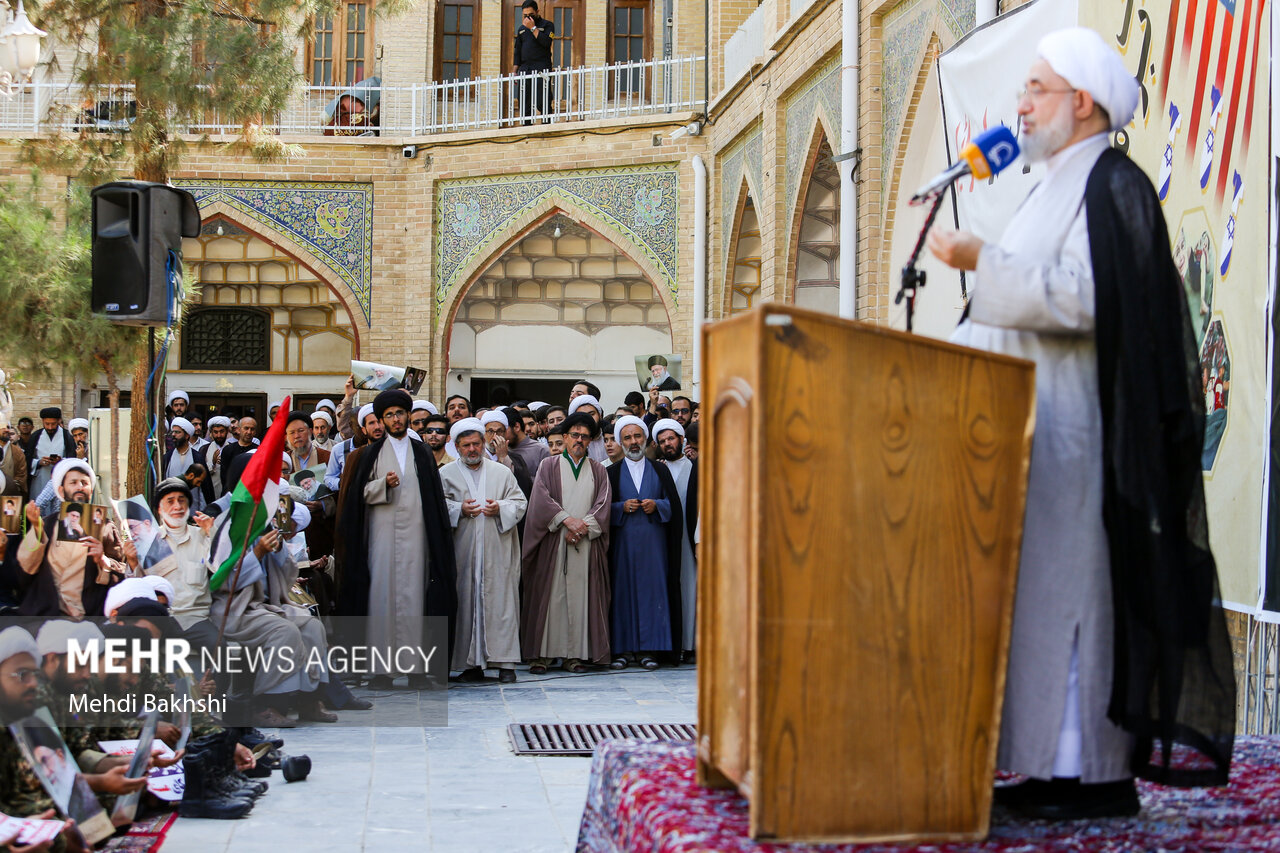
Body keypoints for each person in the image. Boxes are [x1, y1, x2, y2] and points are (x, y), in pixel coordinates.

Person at [926, 26, 1235, 818]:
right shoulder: (1058, 181)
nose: (1020, 105)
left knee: (1075, 612)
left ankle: (1091, 776)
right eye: (1023, 89)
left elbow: (1085, 297)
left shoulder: (1112, 184)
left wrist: (980, 261)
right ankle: (1049, 770)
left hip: (1085, 442)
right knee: (1043, 609)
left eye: (1036, 89)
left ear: (1083, 103)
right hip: (1038, 439)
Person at [336, 389, 457, 689]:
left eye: (399, 413)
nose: (395, 419)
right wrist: (382, 485)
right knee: (381, 598)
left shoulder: (422, 453)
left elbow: (434, 500)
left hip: (417, 538)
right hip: (381, 539)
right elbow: (357, 497)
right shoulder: (370, 454)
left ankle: (416, 671)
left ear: (407, 416)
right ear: (382, 420)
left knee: (415, 598)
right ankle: (381, 672)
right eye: (388, 415)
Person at [521, 412, 611, 674]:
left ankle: (575, 655)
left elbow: (603, 504)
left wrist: (584, 526)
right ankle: (543, 656)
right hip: (554, 541)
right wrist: (566, 521)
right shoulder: (548, 466)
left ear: (590, 440)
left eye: (585, 436)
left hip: (585, 543)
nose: (579, 440)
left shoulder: (599, 470)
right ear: (565, 437)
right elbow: (540, 499)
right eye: (575, 435)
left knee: (581, 598)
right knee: (551, 597)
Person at [440, 419, 527, 684]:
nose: (472, 450)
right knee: (465, 604)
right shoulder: (445, 474)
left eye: (476, 444)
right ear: (457, 447)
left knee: (502, 604)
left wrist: (499, 507)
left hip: (497, 552)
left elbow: (519, 502)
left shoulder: (501, 472)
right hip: (462, 553)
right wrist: (458, 510)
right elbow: (436, 506)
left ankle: (505, 663)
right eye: (466, 446)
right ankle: (470, 666)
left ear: (483, 443)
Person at [606, 416, 682, 670]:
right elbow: (601, 510)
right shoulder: (611, 473)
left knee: (654, 593)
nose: (633, 442)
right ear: (620, 441)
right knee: (622, 594)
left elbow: (675, 508)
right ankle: (623, 649)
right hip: (622, 546)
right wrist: (620, 507)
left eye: (637, 436)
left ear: (646, 439)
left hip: (654, 546)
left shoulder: (660, 470)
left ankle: (652, 649)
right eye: (627, 438)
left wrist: (657, 505)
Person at [18, 460, 130, 620]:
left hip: (89, 614)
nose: (80, 487)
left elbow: (124, 571)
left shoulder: (105, 527)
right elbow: (26, 570)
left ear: (91, 491)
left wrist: (103, 561)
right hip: (47, 614)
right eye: (73, 482)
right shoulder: (46, 525)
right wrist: (36, 529)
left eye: (85, 483)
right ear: (61, 490)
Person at [653, 418, 697, 662]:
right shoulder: (656, 469)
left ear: (681, 440)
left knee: (690, 589)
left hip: (689, 539)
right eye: (662, 441)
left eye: (671, 438)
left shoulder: (694, 468)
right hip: (663, 540)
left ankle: (690, 644)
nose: (667, 444)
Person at [512, 0, 554, 126]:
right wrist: (514, 71)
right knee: (524, 101)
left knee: (543, 100)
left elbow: (546, 42)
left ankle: (547, 126)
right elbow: (517, 52)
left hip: (542, 67)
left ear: (537, 12)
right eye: (525, 15)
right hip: (525, 68)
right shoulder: (521, 30)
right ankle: (526, 128)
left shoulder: (547, 25)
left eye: (530, 14)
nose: (528, 18)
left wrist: (533, 28)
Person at [24, 408, 76, 500]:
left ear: (59, 421)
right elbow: (26, 460)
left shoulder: (67, 436)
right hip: (39, 479)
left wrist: (61, 461)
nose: (50, 427)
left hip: (60, 479)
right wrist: (39, 462)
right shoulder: (36, 436)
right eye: (47, 424)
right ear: (42, 421)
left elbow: (72, 459)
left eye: (53, 424)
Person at [219, 417, 258, 494]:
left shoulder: (259, 451)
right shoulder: (228, 450)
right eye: (246, 428)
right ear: (239, 429)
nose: (249, 432)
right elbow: (224, 476)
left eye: (252, 429)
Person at [567, 395, 608, 463]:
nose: (588, 419)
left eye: (592, 414)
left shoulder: (612, 438)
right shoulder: (571, 444)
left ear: (600, 415)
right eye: (582, 415)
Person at [0, 425, 27, 497]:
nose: (7, 430)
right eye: (3, 428)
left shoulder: (17, 452)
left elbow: (21, 477)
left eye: (8, 428)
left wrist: (9, 485)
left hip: (9, 497)